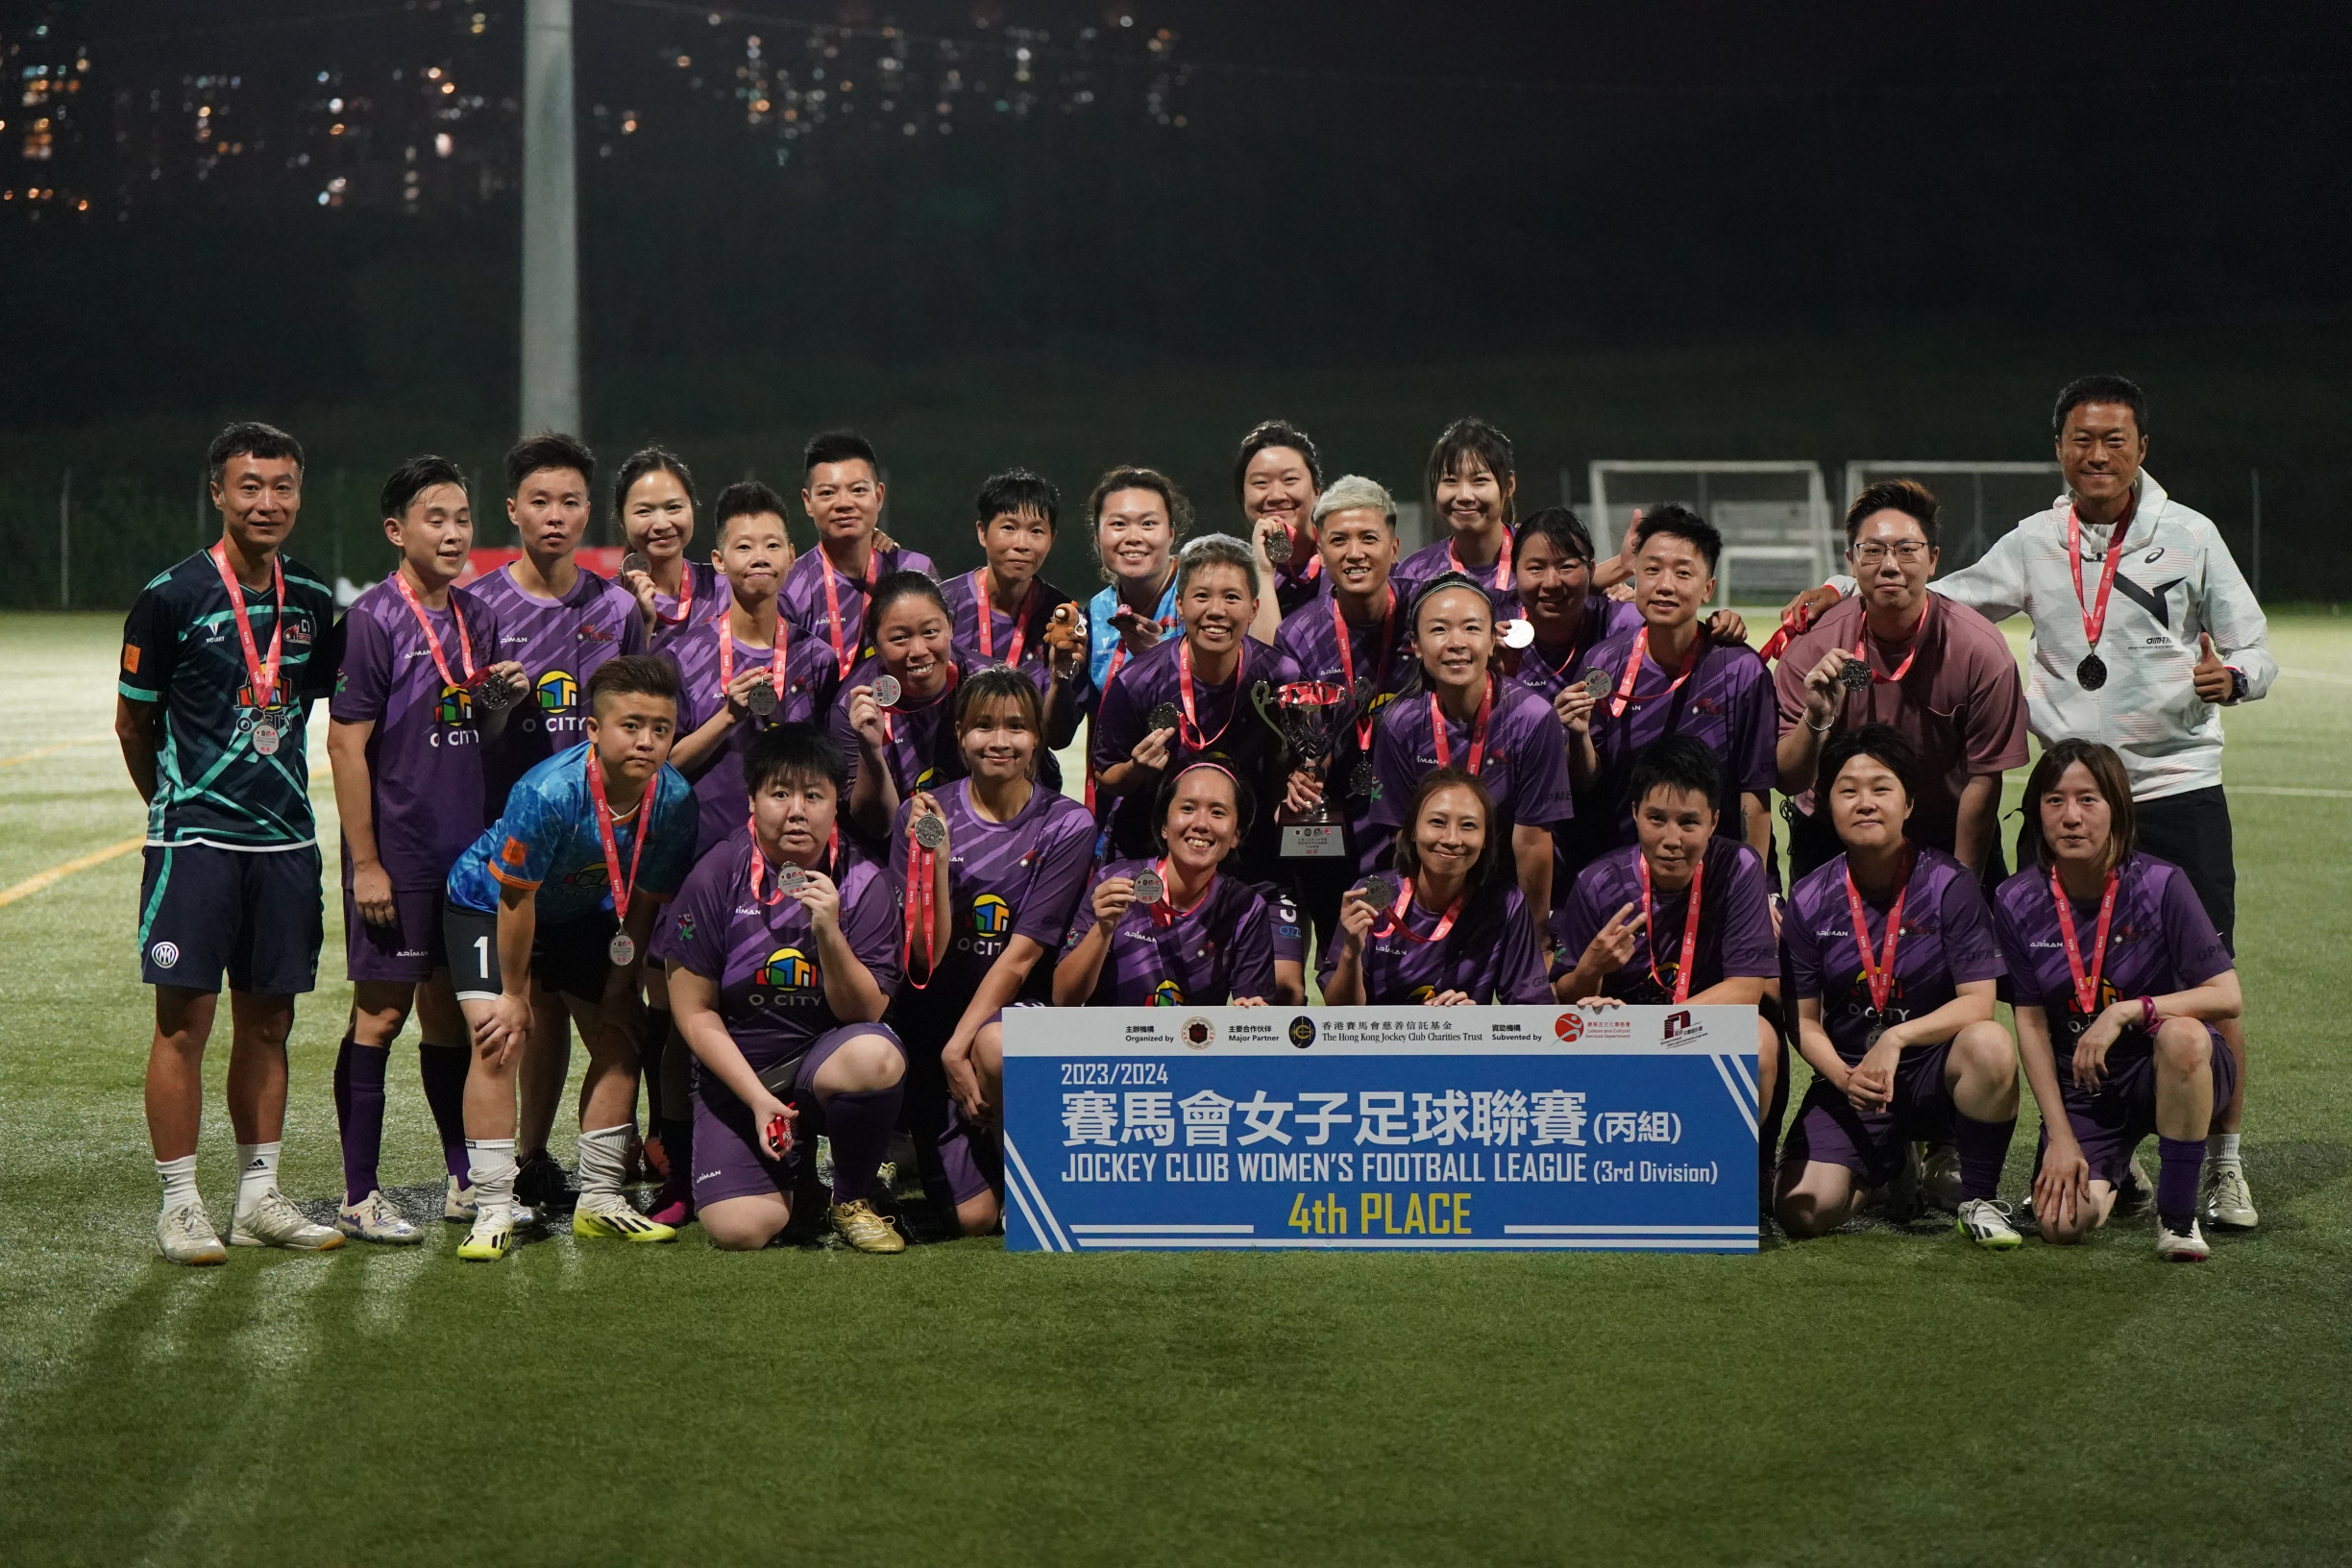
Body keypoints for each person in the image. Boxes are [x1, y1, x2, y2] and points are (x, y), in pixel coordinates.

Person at [1780, 377, 2274, 1229]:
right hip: (2069, 798)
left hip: (2173, 785)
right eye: (2082, 439)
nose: (2097, 454)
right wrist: (1840, 581)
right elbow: (1940, 588)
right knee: (2062, 984)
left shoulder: (2192, 536)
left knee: (2205, 977)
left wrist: (2234, 677)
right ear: (2059, 449)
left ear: (2142, 448)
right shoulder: (2037, 540)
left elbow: (2254, 646)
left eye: (2114, 439)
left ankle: (2225, 1163)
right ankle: (2095, 1136)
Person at [116, 421, 347, 1263]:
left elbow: (322, 708)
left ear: (299, 494)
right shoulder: (171, 596)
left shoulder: (313, 599)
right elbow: (133, 724)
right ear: (218, 492)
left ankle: (258, 1197)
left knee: (270, 1024)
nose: (267, 502)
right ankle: (181, 1204)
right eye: (250, 486)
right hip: (196, 844)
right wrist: (172, 809)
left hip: (284, 844)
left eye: (282, 486)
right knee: (184, 1024)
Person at [325, 455, 527, 1241]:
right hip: (400, 856)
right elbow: (346, 747)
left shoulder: (478, 616)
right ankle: (359, 1195)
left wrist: (501, 704)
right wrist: (367, 864)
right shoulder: (373, 620)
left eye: (462, 519)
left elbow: (480, 730)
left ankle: (462, 1181)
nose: (452, 533)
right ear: (396, 530)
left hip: (468, 856)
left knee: (450, 1020)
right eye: (434, 518)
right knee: (380, 1017)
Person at [441, 655, 698, 1260]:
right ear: (593, 730)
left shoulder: (676, 800)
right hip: (488, 903)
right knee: (498, 1037)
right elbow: (515, 897)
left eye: (661, 728)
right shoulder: (548, 791)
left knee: (621, 1030)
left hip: (583, 911)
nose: (647, 741)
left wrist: (621, 986)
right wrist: (514, 994)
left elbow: (644, 901)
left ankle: (600, 1200)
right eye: (631, 725)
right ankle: (494, 1207)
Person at [640, 484, 838, 1221]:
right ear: (718, 561)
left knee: (795, 1009)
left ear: (792, 557)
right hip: (696, 861)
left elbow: (824, 768)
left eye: (772, 544)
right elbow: (658, 768)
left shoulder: (815, 657)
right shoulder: (682, 652)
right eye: (743, 546)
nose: (759, 556)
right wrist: (727, 714)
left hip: (786, 867)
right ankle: (677, 1169)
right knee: (679, 1019)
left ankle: (799, 1165)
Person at [470, 432, 650, 1217]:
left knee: (610, 1011)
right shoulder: (479, 605)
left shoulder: (618, 609)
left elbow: (641, 718)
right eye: (539, 502)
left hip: (598, 854)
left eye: (570, 502)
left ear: (589, 512)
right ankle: (526, 1160)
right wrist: (494, 708)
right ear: (512, 510)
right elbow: (466, 734)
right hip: (512, 848)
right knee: (526, 1012)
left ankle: (604, 1166)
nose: (555, 515)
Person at [664, 723, 911, 1254]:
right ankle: (799, 1182)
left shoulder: (863, 880)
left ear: (836, 802)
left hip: (823, 1066)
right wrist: (756, 1099)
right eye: (780, 793)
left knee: (875, 1054)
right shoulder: (715, 875)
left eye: (814, 795)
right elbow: (694, 1012)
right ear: (752, 799)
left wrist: (829, 934)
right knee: (740, 1230)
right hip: (741, 1078)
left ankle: (851, 1197)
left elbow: (866, 1012)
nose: (797, 811)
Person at [1993, 739, 2242, 1261]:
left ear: (2117, 809)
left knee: (2183, 1035)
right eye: (2055, 800)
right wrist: (2061, 1136)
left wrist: (2128, 1010)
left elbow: (2226, 995)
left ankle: (2178, 1218)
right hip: (2088, 1085)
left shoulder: (2162, 883)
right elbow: (2030, 1026)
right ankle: (2120, 1170)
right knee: (2061, 1225)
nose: (2071, 817)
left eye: (2088, 799)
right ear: (2037, 812)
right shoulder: (2015, 899)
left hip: (2168, 1066)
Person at [1773, 726, 2021, 1249]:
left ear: (1908, 803)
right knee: (1802, 1210)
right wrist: (1844, 1078)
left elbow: (1979, 1002)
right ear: (1828, 805)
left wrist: (1897, 1037)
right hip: (1854, 1078)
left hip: (1934, 1071)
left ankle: (1979, 1197)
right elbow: (1805, 1023)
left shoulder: (1950, 885)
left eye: (1880, 788)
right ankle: (1888, 1168)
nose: (1865, 802)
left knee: (1991, 1044)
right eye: (1848, 790)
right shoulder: (1810, 899)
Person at [887, 670, 1096, 1236]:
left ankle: (1029, 1179)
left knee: (997, 1045)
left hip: (1012, 1016)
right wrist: (934, 864)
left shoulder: (1068, 823)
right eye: (983, 726)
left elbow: (1023, 957)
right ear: (960, 733)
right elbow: (921, 959)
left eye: (1016, 727)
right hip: (932, 1023)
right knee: (971, 1219)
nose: (999, 741)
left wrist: (960, 1047)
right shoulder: (922, 817)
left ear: (1038, 738)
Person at [1774, 480, 2027, 885]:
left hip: (1943, 832)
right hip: (1833, 833)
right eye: (1873, 550)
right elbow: (1788, 779)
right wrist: (1817, 718)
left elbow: (1983, 778)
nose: (1890, 565)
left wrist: (1961, 886)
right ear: (1851, 562)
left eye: (1907, 549)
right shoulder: (1812, 647)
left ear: (1933, 560)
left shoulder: (1980, 651)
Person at [1089, 534, 1308, 998]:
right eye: (1202, 596)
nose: (1216, 611)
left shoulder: (1282, 678)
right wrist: (1138, 770)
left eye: (1231, 598)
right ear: (1181, 604)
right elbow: (1105, 776)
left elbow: (1305, 756)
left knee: (1284, 992)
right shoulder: (1138, 681)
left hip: (1253, 859)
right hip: (1158, 856)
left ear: (1253, 608)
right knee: (1153, 994)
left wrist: (1302, 781)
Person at [1551, 736, 1780, 1151]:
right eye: (1656, 818)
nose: (1672, 839)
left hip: (1691, 1028)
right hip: (1615, 1041)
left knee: (1760, 1039)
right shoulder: (1597, 882)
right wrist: (1591, 969)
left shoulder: (1739, 867)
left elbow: (1746, 989)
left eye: (1689, 822)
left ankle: (1729, 1167)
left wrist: (1655, 1029)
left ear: (1714, 821)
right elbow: (1563, 1002)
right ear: (1635, 813)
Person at [1362, 573, 1572, 947]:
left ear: (1492, 641)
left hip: (1508, 887)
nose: (1457, 643)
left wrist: (1536, 938)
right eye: (1439, 629)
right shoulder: (1398, 722)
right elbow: (1402, 833)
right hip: (1433, 883)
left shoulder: (1533, 717)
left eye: (1472, 628)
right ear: (1416, 645)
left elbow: (1532, 841)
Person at [1567, 506, 1776, 860]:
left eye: (1683, 573)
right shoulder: (1602, 664)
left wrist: (1751, 879)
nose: (1665, 585)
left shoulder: (1741, 671)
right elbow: (1585, 781)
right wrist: (1576, 735)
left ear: (1708, 588)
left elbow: (1754, 791)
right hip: (1626, 871)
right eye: (1652, 569)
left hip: (1717, 871)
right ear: (1635, 575)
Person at [1271, 475, 1417, 968]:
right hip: (1336, 826)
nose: (1355, 553)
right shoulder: (1297, 635)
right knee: (1341, 970)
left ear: (1394, 547)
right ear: (1321, 551)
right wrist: (1300, 772)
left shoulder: (1427, 611)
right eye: (1339, 540)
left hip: (1416, 822)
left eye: (1368, 538)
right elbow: (1296, 738)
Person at [1055, 762, 1279, 1008]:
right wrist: (1103, 929)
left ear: (1236, 835)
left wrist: (1251, 1010)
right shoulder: (1116, 882)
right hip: (1112, 1032)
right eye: (1188, 808)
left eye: (1217, 812)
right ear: (1164, 826)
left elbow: (1254, 1007)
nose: (1201, 824)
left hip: (1195, 1034)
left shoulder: (1246, 907)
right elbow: (1064, 998)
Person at [1321, 769, 1551, 1006]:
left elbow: (1532, 1008)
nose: (1452, 839)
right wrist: (1351, 952)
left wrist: (1477, 1020)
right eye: (1437, 822)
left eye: (1468, 825)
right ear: (1412, 830)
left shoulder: (1505, 904)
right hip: (1383, 1031)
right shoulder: (1372, 895)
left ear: (1486, 840)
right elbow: (1338, 1011)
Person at [938, 468, 1090, 789]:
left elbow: (1058, 738)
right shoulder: (942, 606)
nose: (1022, 544)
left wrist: (1060, 678)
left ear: (1052, 539)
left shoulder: (1064, 618)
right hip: (951, 784)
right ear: (982, 532)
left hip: (1032, 787)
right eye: (1008, 527)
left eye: (1036, 531)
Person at [778, 429, 937, 681]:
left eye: (858, 490)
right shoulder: (790, 587)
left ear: (879, 496)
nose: (844, 503)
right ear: (808, 502)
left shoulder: (914, 569)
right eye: (828, 493)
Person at [832, 571, 965, 841]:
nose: (918, 650)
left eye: (930, 632)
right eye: (899, 638)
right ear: (875, 644)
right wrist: (870, 751)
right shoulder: (852, 708)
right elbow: (878, 827)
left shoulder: (981, 681)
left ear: (950, 626)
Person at [612, 446, 736, 653]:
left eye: (673, 507)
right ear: (621, 521)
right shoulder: (606, 602)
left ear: (692, 509)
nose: (662, 524)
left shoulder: (726, 588)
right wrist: (639, 626)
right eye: (644, 511)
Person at [1398, 417, 1521, 618]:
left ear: (1508, 486)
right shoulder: (1414, 575)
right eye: (1450, 480)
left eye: (1479, 480)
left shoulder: (1538, 561)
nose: (1464, 496)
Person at [1234, 419, 1329, 638]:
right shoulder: (1232, 579)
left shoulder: (1341, 561)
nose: (1276, 495)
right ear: (1243, 496)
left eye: (1290, 479)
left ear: (1316, 491)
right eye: (1260, 483)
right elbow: (1263, 656)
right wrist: (1263, 572)